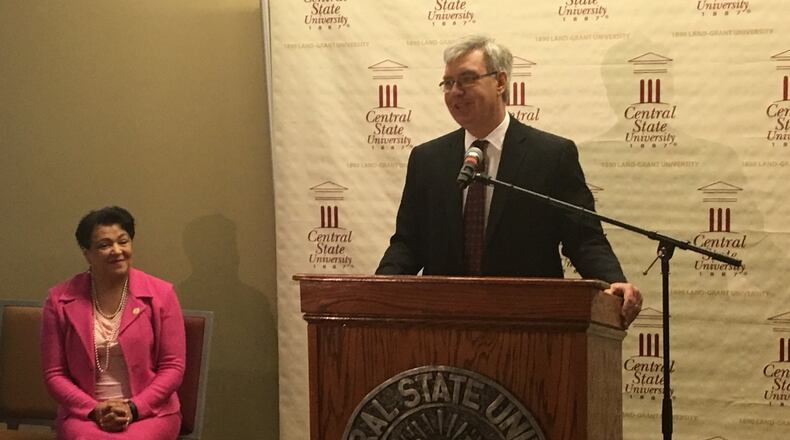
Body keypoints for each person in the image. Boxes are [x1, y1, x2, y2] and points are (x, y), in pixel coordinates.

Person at [376, 35, 642, 327]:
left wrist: (614, 281)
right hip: (444, 322)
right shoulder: (427, 159)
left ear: (501, 82)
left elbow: (583, 239)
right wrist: (374, 292)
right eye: (448, 83)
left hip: (531, 325)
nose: (455, 92)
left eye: (466, 79)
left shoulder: (551, 155)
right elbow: (408, 244)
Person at [41, 206, 186, 439]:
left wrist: (133, 408)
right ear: (86, 253)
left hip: (150, 414)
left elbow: (173, 367)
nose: (117, 251)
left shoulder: (161, 294)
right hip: (84, 415)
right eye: (104, 245)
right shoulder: (59, 300)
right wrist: (93, 409)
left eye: (123, 241)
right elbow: (55, 374)